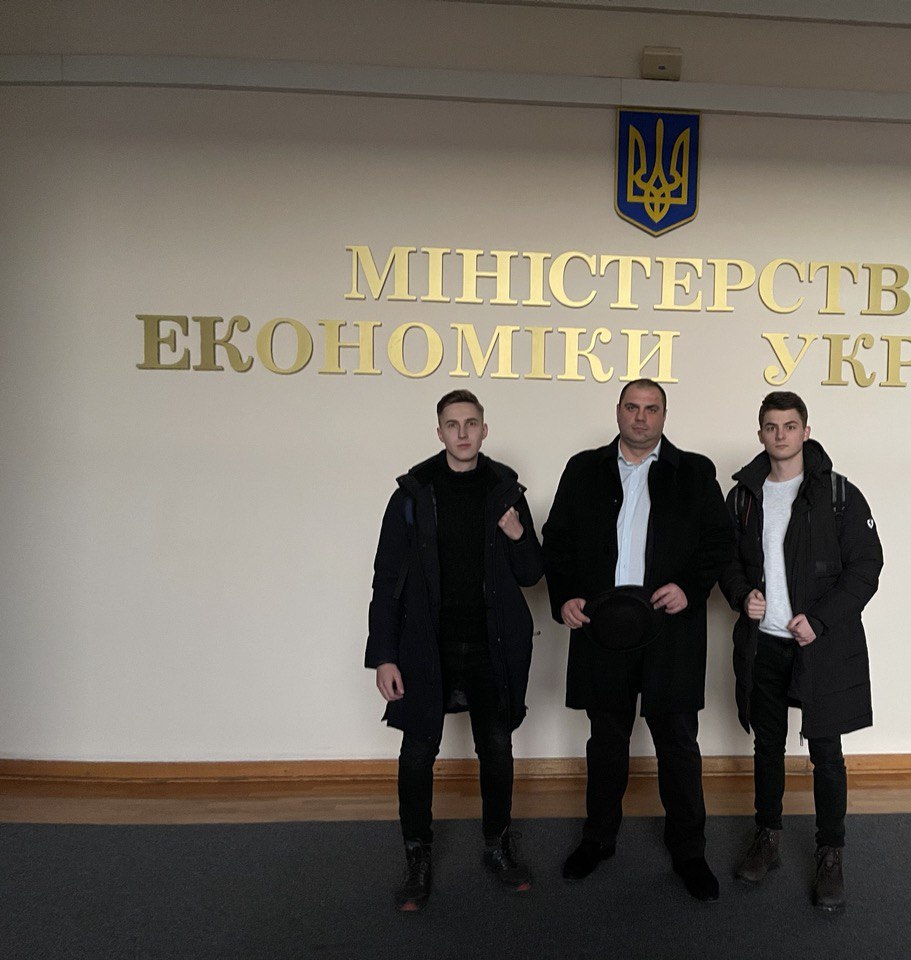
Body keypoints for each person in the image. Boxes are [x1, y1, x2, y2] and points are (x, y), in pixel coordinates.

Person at [542, 379, 734, 902]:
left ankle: (689, 851)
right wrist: (565, 595)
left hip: (670, 628)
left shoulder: (694, 471)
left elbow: (719, 541)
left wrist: (690, 587)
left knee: (678, 743)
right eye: (632, 407)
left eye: (651, 409)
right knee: (606, 741)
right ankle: (598, 839)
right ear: (618, 411)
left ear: (664, 415)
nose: (641, 417)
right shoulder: (583, 469)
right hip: (602, 627)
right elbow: (556, 541)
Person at [364, 389, 544, 911]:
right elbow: (385, 580)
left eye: (471, 423)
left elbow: (532, 574)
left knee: (497, 746)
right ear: (439, 432)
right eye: (452, 424)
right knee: (418, 751)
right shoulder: (412, 493)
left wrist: (517, 534)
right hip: (427, 644)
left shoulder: (506, 491)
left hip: (491, 642)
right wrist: (384, 655)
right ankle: (417, 855)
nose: (462, 433)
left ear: (484, 430)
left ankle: (498, 845)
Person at [718, 391, 883, 913]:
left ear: (806, 432)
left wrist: (821, 619)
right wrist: (741, 594)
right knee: (767, 746)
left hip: (821, 645)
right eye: (771, 426)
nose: (781, 435)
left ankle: (830, 853)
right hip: (764, 644)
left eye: (790, 426)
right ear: (760, 434)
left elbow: (867, 567)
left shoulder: (838, 494)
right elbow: (725, 561)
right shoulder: (744, 496)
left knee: (826, 753)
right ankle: (767, 836)